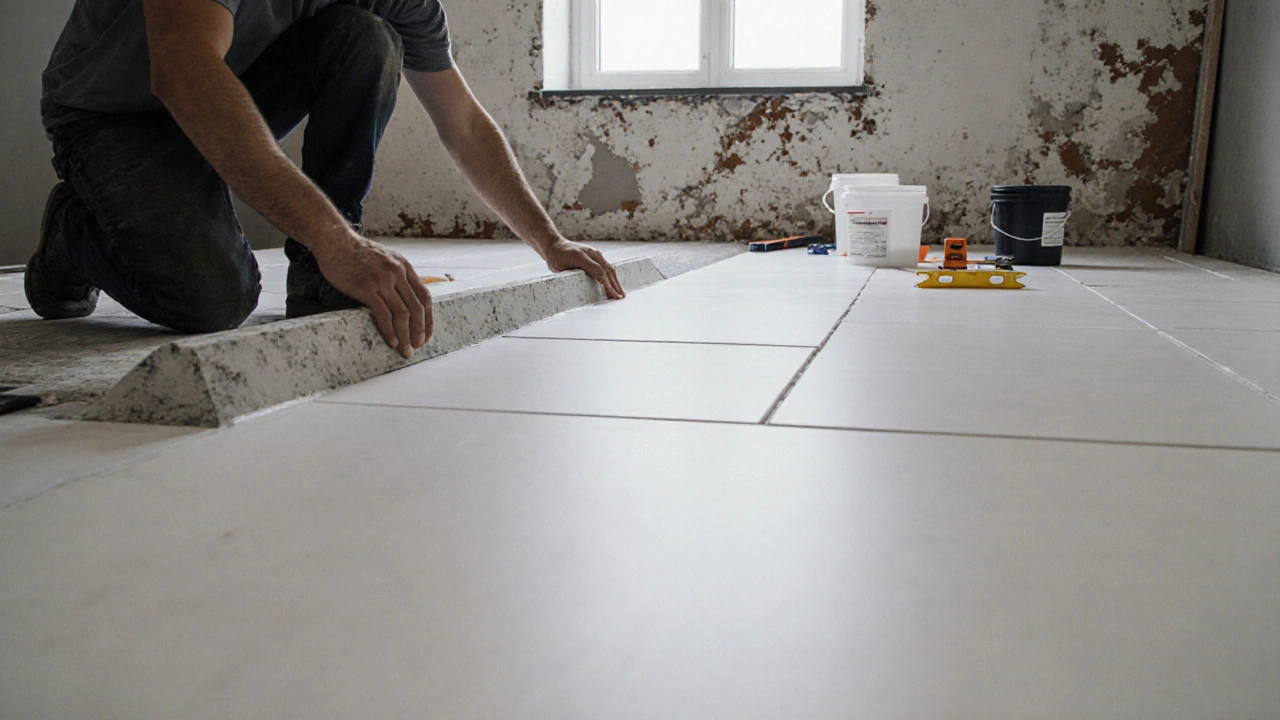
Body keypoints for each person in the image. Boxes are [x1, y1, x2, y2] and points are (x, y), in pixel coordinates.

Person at [27, 0, 626, 359]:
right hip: (116, 117)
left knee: (367, 38)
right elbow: (183, 72)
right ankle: (72, 232)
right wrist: (343, 243)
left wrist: (551, 242)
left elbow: (463, 122)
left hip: (223, 89)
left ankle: (318, 273)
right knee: (214, 300)